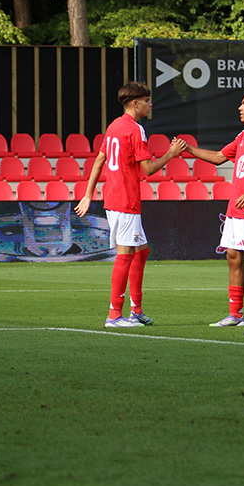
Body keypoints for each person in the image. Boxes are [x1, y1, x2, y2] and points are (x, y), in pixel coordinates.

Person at [75, 81, 184, 328]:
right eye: (147, 100)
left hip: (114, 198)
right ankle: (114, 316)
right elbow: (148, 169)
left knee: (141, 251)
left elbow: (100, 160)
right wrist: (171, 153)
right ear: (135, 103)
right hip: (125, 200)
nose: (150, 104)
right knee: (125, 255)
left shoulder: (114, 126)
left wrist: (88, 194)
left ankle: (136, 310)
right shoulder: (135, 129)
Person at [178, 89, 244, 328]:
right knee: (233, 257)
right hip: (235, 208)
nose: (239, 107)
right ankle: (236, 314)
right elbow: (218, 157)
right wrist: (189, 149)